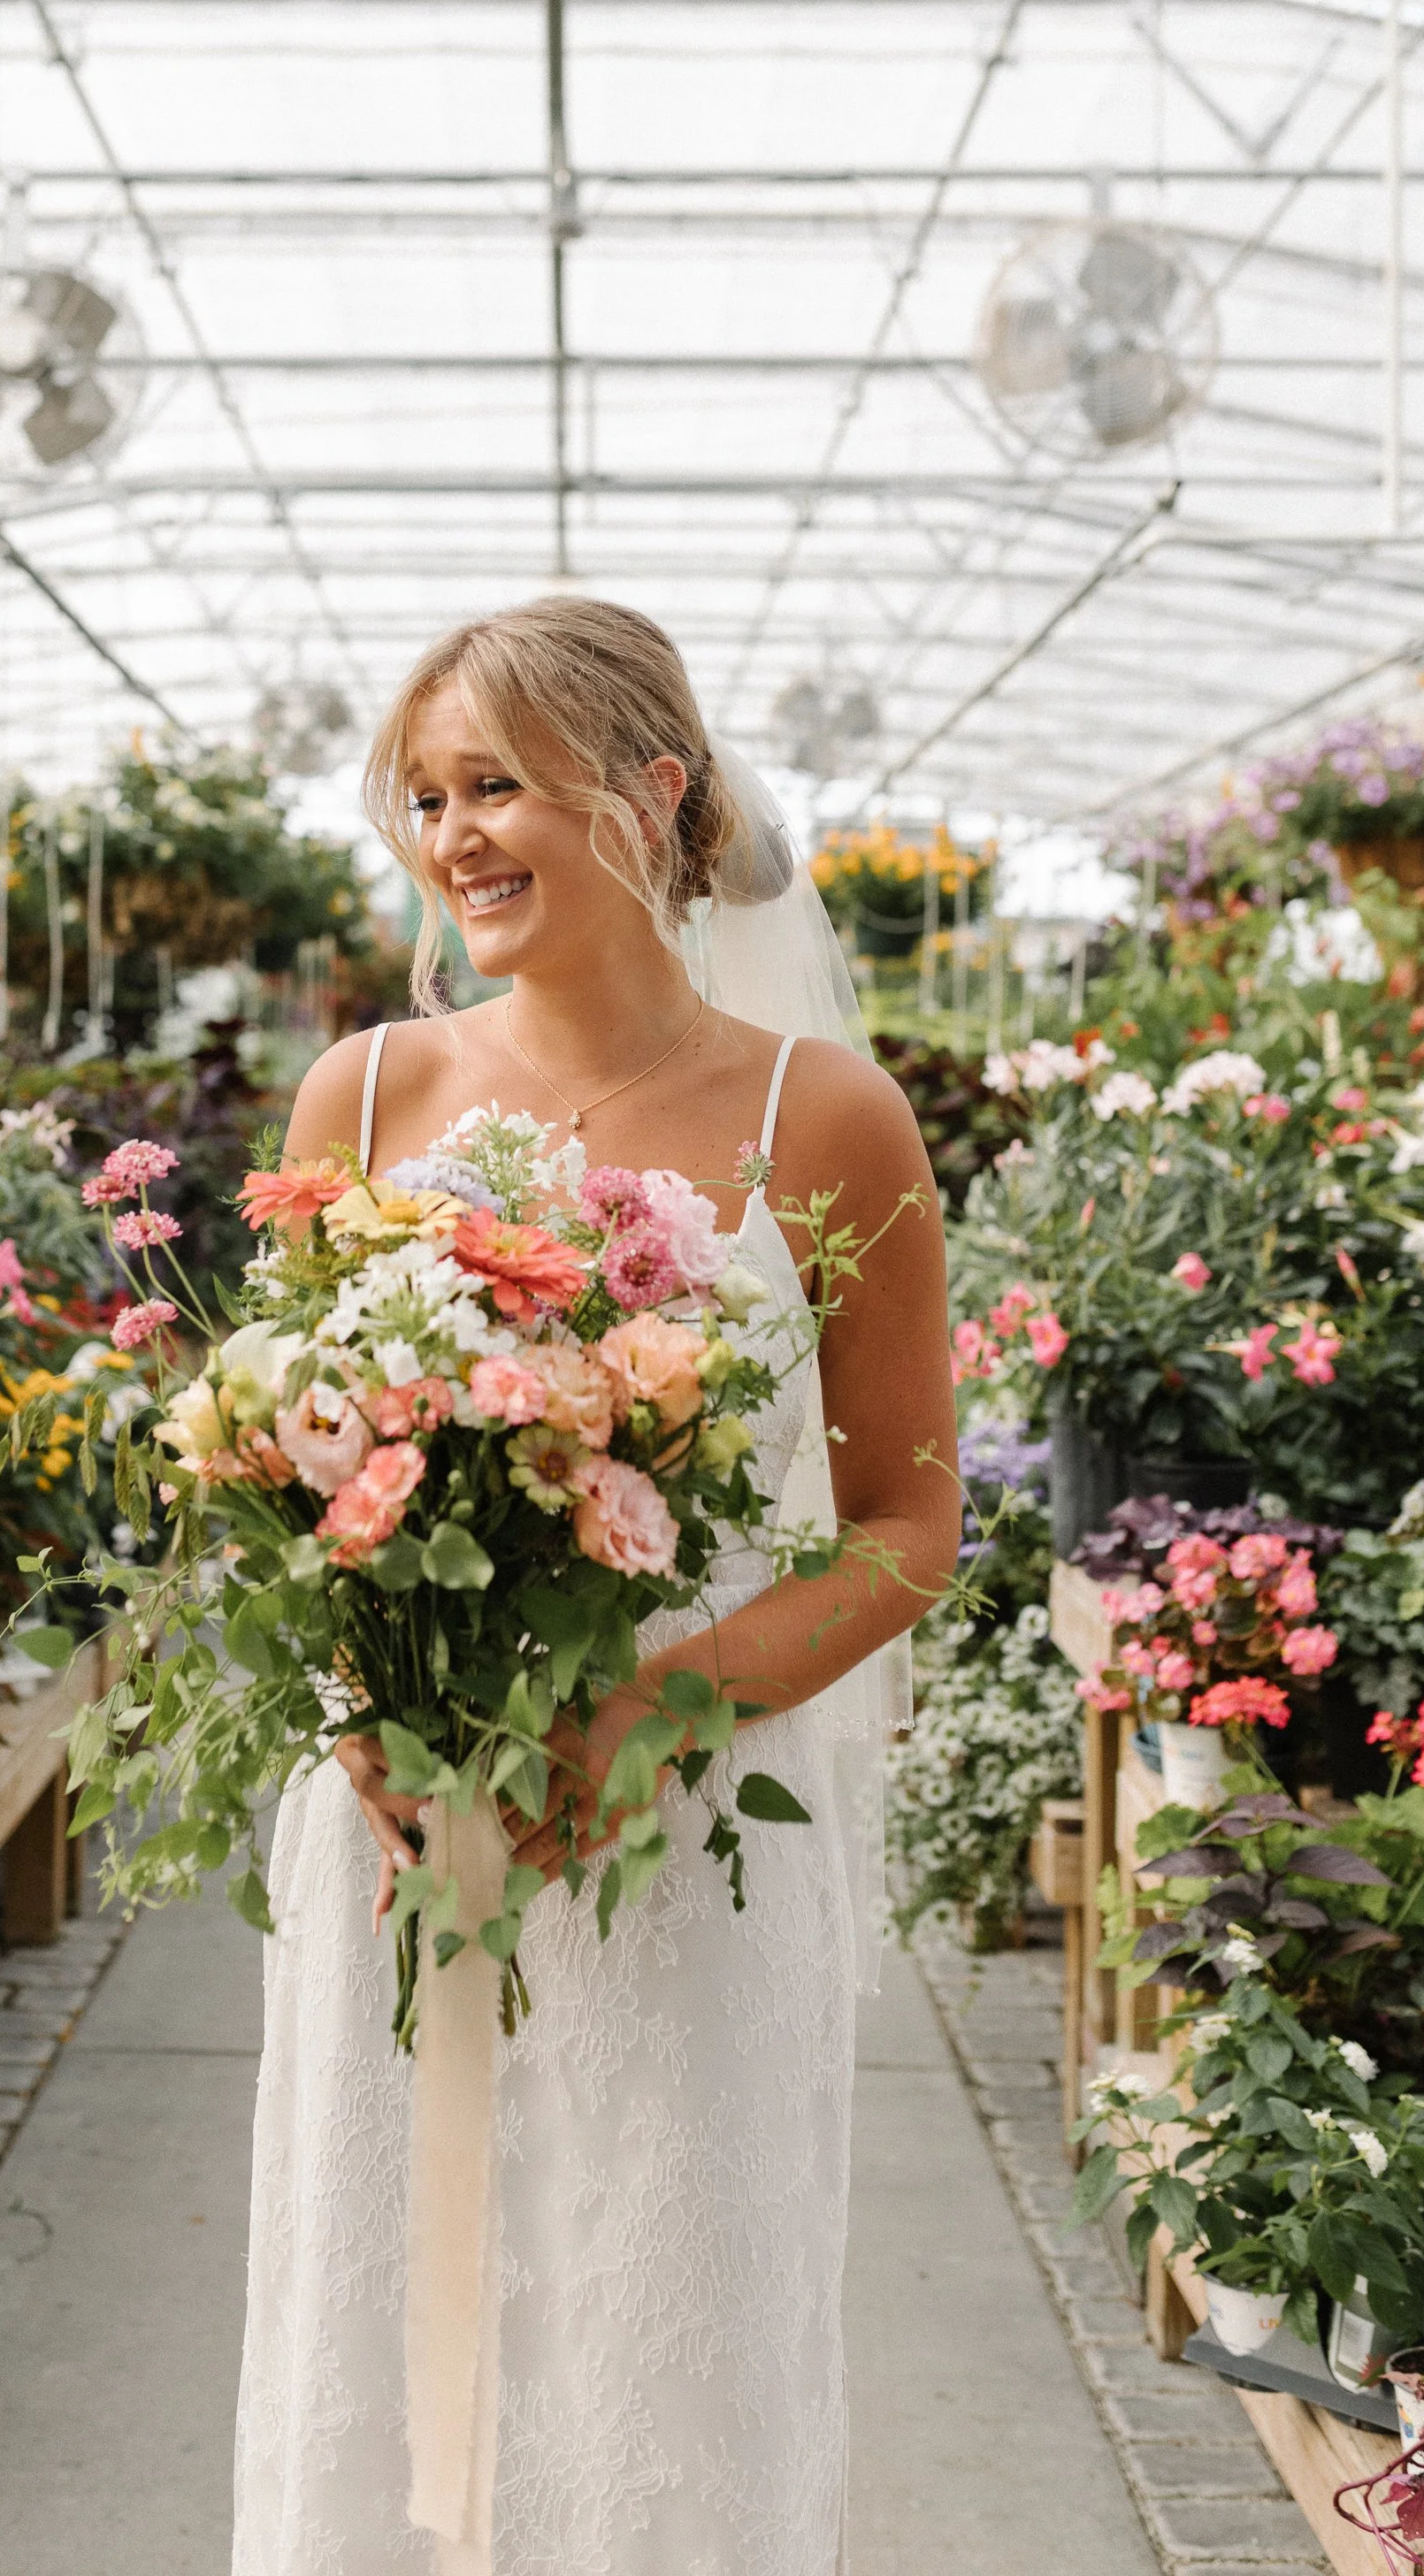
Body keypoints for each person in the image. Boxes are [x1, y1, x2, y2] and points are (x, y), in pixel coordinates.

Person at [234, 597, 958, 2576]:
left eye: (501, 787)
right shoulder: (360, 1103)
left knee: (673, 2351)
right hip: (400, 1823)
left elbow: (910, 1519)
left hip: (690, 1819)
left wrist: (662, 1702)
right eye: (429, 794)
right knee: (393, 2330)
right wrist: (362, 1715)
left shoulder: (827, 1115)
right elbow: (297, 1481)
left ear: (652, 791)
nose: (454, 835)